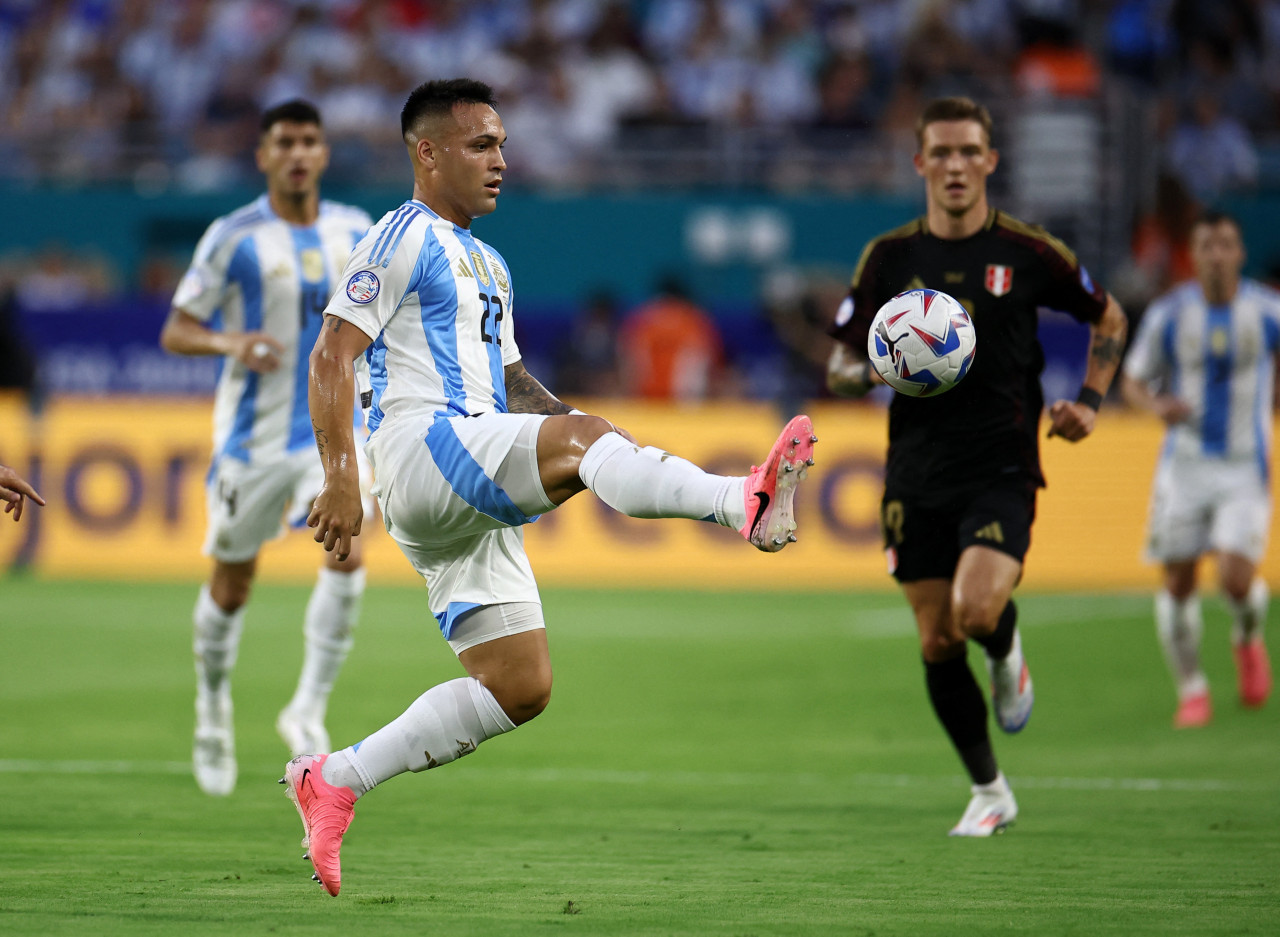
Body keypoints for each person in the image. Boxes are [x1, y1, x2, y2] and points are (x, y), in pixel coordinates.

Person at [281, 78, 816, 896]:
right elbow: (330, 355)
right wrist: (341, 478)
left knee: (520, 684)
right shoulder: (399, 238)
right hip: (423, 449)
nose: (501, 160)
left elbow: (515, 382)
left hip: (469, 471)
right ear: (427, 153)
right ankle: (738, 501)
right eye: (479, 145)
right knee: (585, 441)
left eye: (501, 143)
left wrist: (588, 433)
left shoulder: (489, 262)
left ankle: (337, 778)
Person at [825, 96, 1128, 837]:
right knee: (935, 639)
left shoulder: (1029, 252)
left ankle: (1005, 647)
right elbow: (838, 360)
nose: (955, 166)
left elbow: (1109, 316)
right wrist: (866, 370)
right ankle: (990, 788)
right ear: (920, 161)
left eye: (969, 152)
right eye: (942, 152)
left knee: (978, 611)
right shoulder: (889, 259)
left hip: (1000, 462)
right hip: (914, 470)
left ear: (990, 161)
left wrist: (1090, 398)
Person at [159, 100, 374, 797]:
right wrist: (231, 342)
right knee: (233, 581)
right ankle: (212, 707)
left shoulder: (358, 231)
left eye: (310, 140)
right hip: (249, 440)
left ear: (324, 152)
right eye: (284, 142)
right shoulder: (234, 236)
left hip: (330, 438)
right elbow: (178, 329)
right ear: (263, 156)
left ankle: (307, 705)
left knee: (349, 548)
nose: (298, 153)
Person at [1120, 211, 1275, 726]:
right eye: (1206, 245)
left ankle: (1248, 637)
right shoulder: (1170, 313)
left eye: (1225, 245)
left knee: (1235, 579)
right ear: (1194, 252)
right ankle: (1192, 688)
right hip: (1183, 468)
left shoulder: (1266, 311)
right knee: (1178, 581)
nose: (1215, 255)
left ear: (1240, 253)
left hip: (1242, 468)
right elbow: (1134, 381)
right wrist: (1155, 406)